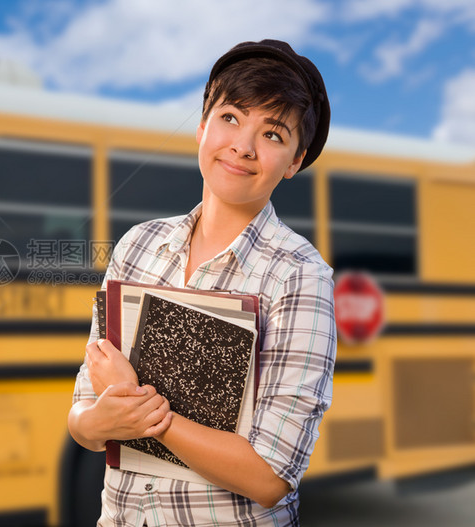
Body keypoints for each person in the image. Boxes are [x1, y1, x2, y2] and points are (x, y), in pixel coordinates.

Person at [68, 39, 336, 526]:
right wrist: (100, 417)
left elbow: (269, 478)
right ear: (201, 126)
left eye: (273, 134)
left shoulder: (300, 275)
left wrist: (147, 414)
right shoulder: (137, 246)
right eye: (230, 117)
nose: (243, 146)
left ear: (295, 162)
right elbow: (83, 418)